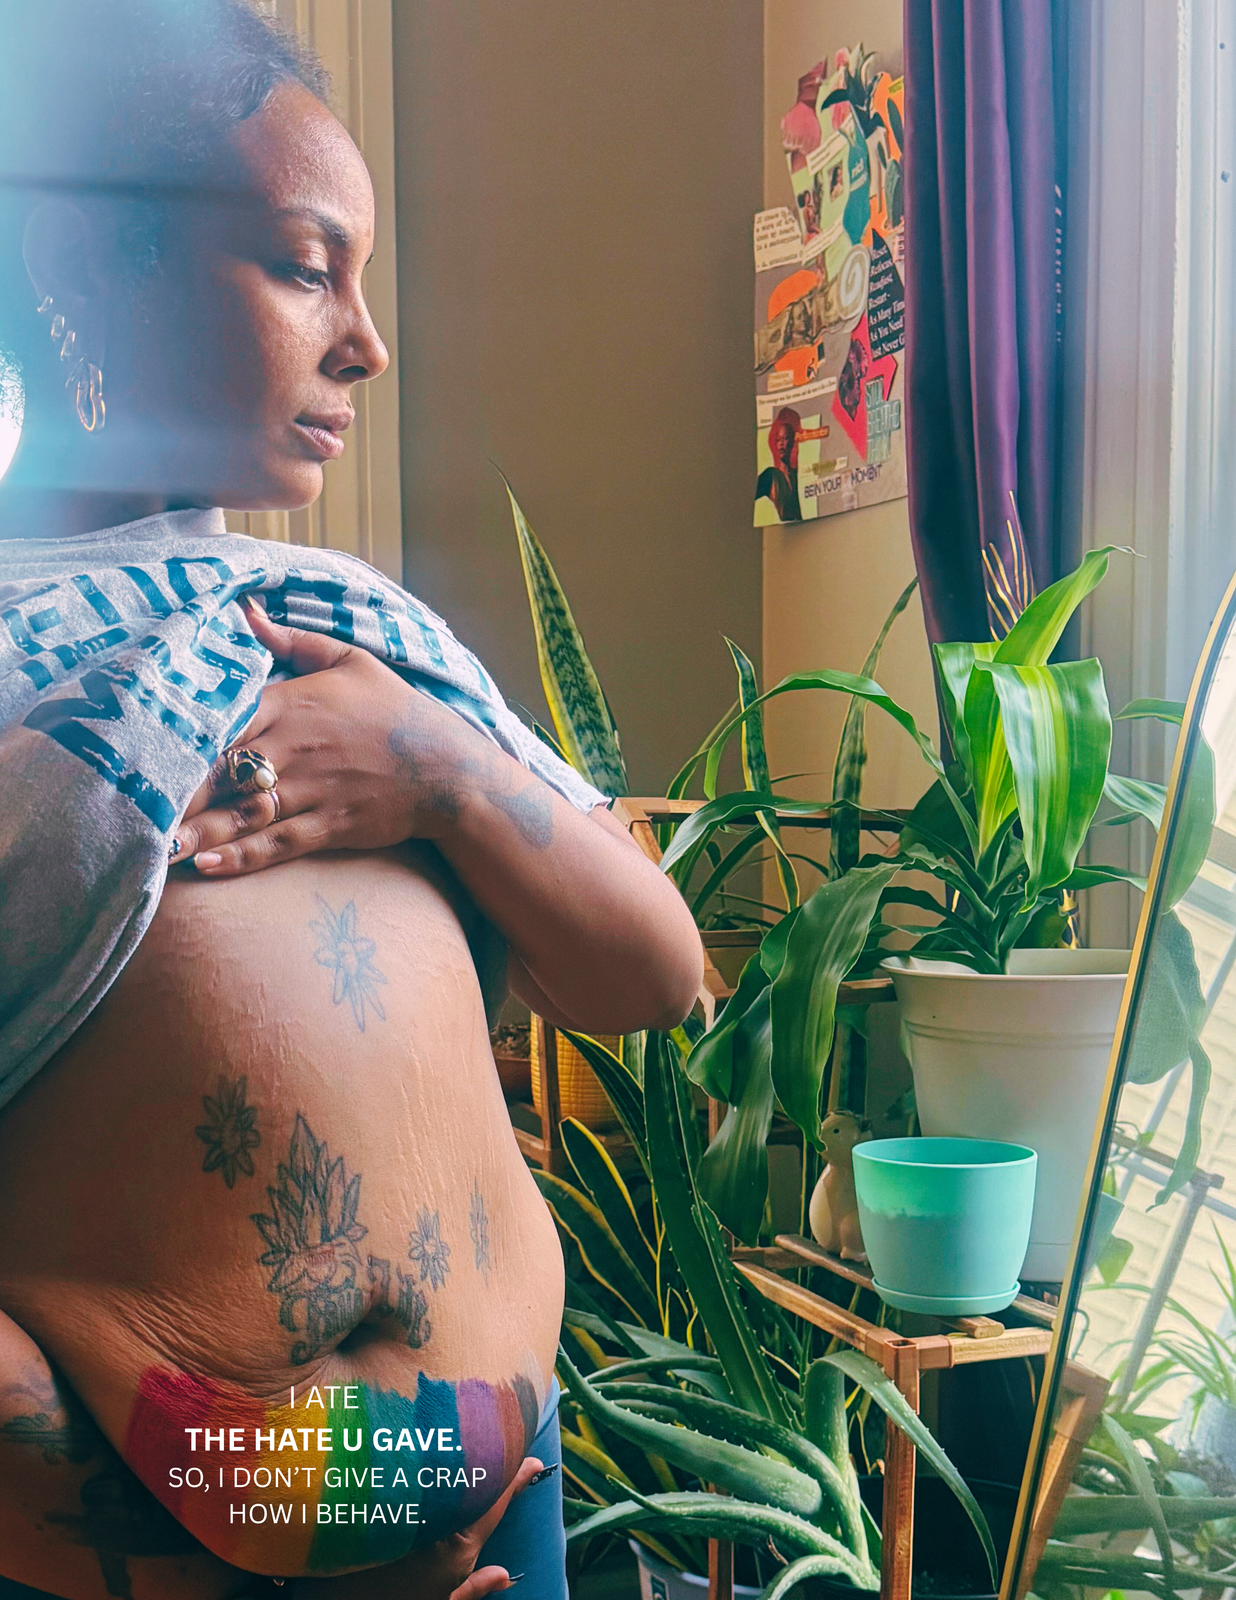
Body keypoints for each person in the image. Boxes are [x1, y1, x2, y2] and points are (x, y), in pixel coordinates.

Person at [0, 3, 704, 1598]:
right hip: (139, 1537)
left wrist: (443, 774)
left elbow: (657, 974)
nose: (367, 342)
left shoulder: (364, 624)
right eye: (305, 266)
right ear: (88, 260)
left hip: (495, 1482)